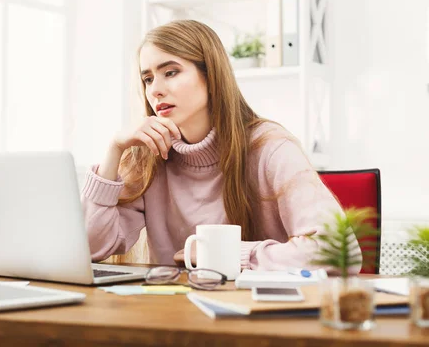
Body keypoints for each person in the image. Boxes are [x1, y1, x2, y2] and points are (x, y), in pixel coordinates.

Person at [80, 19, 361, 272]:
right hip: (173, 314)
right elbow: (92, 249)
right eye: (148, 78)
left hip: (258, 315)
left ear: (211, 76)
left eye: (171, 72)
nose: (155, 90)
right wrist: (114, 150)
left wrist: (223, 255)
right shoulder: (147, 156)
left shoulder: (271, 147)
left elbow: (338, 253)